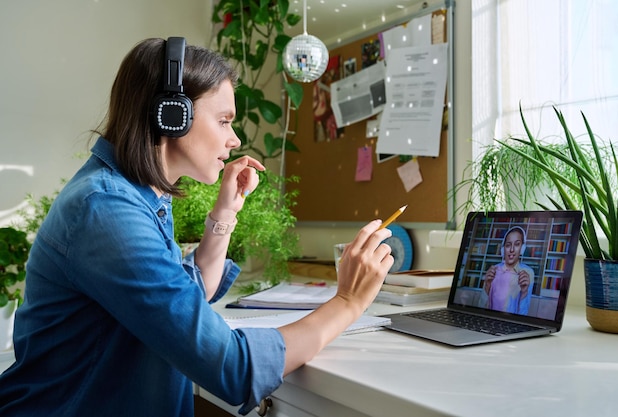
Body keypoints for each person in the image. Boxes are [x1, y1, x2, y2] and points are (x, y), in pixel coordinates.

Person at [0, 37, 394, 416]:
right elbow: (232, 368)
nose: (235, 139)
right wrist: (348, 303)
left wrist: (225, 215)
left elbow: (184, 297)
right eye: (224, 120)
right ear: (171, 116)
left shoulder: (139, 194)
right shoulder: (106, 210)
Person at [480, 226, 534, 314]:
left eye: (517, 244)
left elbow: (524, 313)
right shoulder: (493, 270)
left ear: (522, 248)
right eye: (508, 245)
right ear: (503, 249)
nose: (512, 250)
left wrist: (524, 292)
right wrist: (487, 287)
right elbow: (481, 308)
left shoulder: (528, 273)